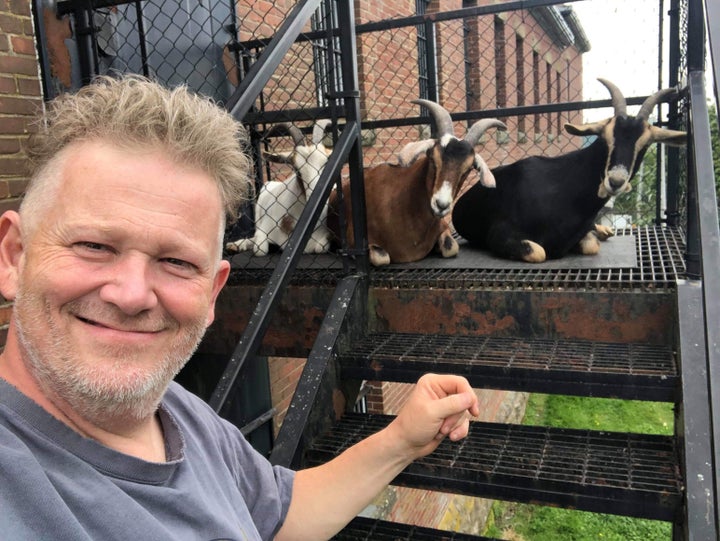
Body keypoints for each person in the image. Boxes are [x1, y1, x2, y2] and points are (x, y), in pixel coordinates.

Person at [0, 75, 481, 541]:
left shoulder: (180, 414)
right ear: (13, 257)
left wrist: (401, 439)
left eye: (176, 260)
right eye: (93, 245)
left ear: (213, 293)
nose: (130, 294)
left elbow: (283, 513)